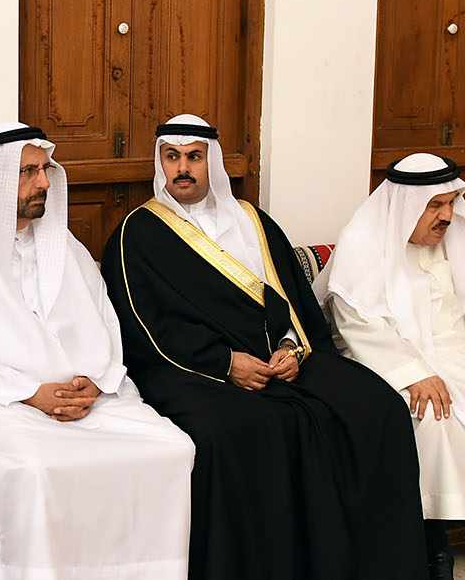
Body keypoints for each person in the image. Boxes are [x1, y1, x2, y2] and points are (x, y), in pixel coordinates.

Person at [100, 114, 426, 580]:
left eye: (194, 157)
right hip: (192, 369)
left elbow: (293, 297)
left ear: (212, 161)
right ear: (161, 163)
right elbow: (146, 326)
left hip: (280, 360)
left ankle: (374, 565)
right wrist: (226, 363)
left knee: (378, 407)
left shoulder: (252, 220)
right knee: (248, 430)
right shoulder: (138, 233)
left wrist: (292, 348)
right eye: (172, 157)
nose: (182, 168)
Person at [0, 123, 194, 578]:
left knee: (172, 448)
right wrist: (33, 393)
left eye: (44, 169)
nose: (44, 181)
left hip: (88, 398)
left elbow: (105, 323)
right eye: (28, 171)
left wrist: (95, 381)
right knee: (36, 469)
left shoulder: (64, 246)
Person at [317, 153, 465, 580]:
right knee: (433, 413)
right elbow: (354, 324)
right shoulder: (363, 246)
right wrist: (412, 372)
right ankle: (430, 544)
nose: (448, 216)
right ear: (405, 207)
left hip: (463, 352)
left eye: (451, 203)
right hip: (395, 359)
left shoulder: (452, 242)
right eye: (435, 206)